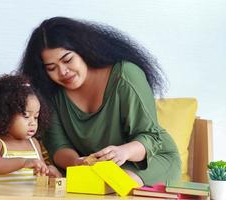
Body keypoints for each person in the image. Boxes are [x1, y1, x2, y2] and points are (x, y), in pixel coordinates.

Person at [18, 16, 181, 186]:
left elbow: (151, 137)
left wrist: (122, 152)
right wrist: (78, 162)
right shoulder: (49, 91)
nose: (63, 72)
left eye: (67, 60)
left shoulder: (125, 75)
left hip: (149, 160)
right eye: (51, 68)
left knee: (115, 184)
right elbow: (58, 146)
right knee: (91, 184)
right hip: (92, 170)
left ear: (83, 50)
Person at [0, 74, 61, 184]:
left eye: (36, 117)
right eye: (26, 116)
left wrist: (48, 171)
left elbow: (39, 169)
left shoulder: (34, 143)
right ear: (5, 115)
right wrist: (23, 162)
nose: (33, 123)